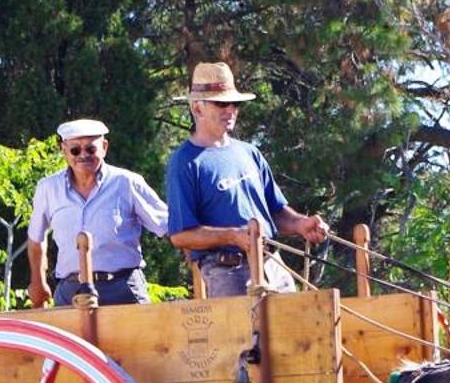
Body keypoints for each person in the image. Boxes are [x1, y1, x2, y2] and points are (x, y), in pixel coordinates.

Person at [164, 62, 329, 298]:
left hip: (273, 264)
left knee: (299, 331)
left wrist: (301, 224)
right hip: (226, 273)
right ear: (197, 108)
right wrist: (233, 236)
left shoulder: (250, 152)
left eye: (235, 103)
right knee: (241, 337)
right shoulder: (185, 162)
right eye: (221, 103)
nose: (230, 109)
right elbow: (180, 235)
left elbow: (276, 210)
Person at [26, 117, 168, 307]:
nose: (83, 155)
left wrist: (197, 255)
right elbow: (36, 239)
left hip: (122, 289)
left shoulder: (127, 183)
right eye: (75, 150)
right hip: (71, 290)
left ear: (104, 147)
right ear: (64, 151)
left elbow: (169, 226)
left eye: (91, 149)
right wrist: (38, 281)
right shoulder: (48, 188)